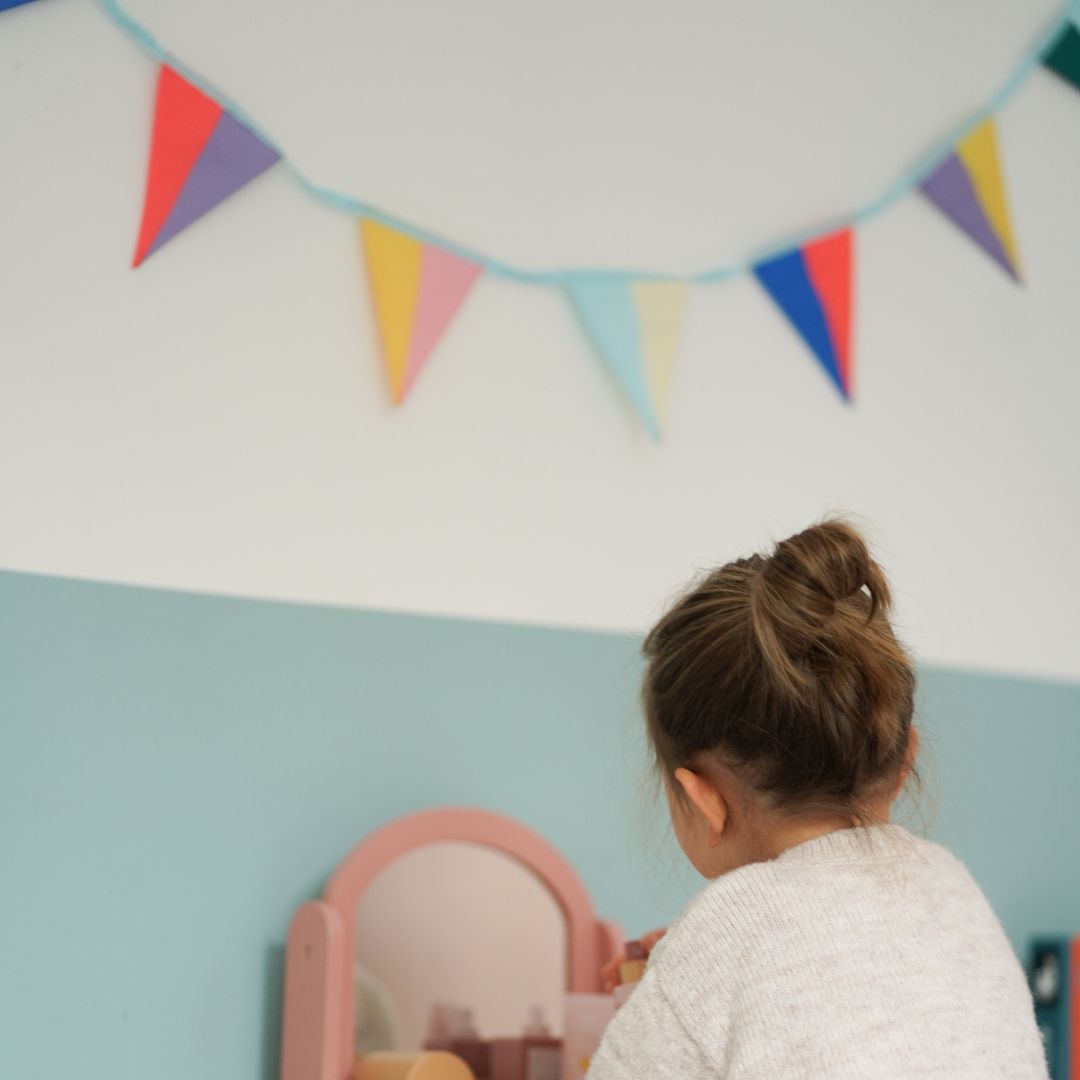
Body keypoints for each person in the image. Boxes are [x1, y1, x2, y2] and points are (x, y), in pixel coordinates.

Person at [588, 520, 1047, 1079]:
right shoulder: (953, 889)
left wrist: (684, 984)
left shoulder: (716, 945)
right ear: (904, 763)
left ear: (704, 799)